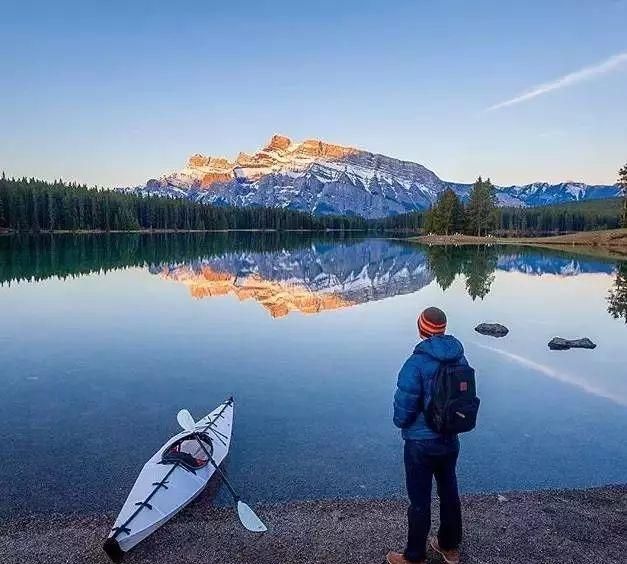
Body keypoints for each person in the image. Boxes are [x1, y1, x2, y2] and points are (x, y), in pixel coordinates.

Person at [387, 306, 470, 564]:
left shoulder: (415, 363)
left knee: (420, 500)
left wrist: (401, 423)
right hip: (450, 439)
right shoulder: (460, 358)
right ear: (443, 329)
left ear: (421, 329)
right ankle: (449, 547)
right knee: (449, 492)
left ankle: (414, 556)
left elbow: (404, 408)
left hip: (420, 444)